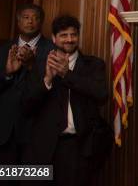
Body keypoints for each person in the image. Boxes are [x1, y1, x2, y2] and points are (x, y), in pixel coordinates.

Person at [21, 15, 108, 186]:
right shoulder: (39, 64)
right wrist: (47, 80)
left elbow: (101, 94)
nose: (69, 39)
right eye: (63, 35)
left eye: (73, 34)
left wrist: (68, 75)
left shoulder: (94, 65)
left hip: (78, 148)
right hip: (43, 148)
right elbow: (26, 106)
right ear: (54, 38)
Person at [0, 4, 54, 166]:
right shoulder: (2, 50)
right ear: (18, 22)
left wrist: (32, 66)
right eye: (26, 17)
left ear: (41, 22)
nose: (31, 21)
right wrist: (7, 74)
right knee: (0, 179)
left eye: (35, 18)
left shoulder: (52, 50)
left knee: (33, 180)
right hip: (4, 133)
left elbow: (54, 90)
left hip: (36, 133)